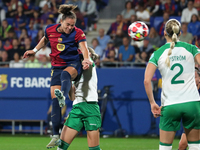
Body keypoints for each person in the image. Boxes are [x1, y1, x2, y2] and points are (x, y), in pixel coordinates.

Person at [22, 4, 92, 148]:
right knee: (54, 99)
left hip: (73, 63)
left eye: (72, 25)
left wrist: (86, 59)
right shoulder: (50, 29)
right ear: (61, 21)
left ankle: (64, 95)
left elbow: (84, 47)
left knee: (66, 75)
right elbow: (45, 39)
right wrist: (34, 50)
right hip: (56, 66)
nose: (70, 28)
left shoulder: (78, 32)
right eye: (68, 24)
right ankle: (55, 135)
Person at [144, 19, 200, 150]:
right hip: (192, 103)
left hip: (170, 104)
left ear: (164, 33)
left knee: (165, 147)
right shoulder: (191, 48)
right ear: (180, 33)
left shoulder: (157, 54)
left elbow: (147, 81)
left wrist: (152, 103)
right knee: (195, 146)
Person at [57, 47, 101, 150]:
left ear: (89, 54)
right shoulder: (75, 72)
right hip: (77, 107)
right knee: (61, 146)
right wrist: (67, 83)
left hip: (91, 107)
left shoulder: (90, 63)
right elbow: (72, 97)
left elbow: (86, 61)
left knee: (94, 149)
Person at [178, 66, 200, 150]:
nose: (192, 79)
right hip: (192, 122)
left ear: (199, 78)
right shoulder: (186, 91)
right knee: (182, 145)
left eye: (194, 77)